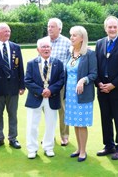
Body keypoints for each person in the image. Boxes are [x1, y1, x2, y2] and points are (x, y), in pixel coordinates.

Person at [95, 16, 118, 160]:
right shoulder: (99, 43)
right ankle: (108, 145)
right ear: (105, 28)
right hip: (102, 89)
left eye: (114, 27)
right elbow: (95, 66)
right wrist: (99, 83)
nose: (112, 29)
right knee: (105, 118)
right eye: (109, 27)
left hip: (117, 90)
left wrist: (113, 84)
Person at [25, 38, 64, 159]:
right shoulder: (31, 63)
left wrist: (50, 90)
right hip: (35, 98)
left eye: (48, 47)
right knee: (32, 125)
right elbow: (27, 81)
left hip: (52, 98)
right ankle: (32, 149)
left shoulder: (58, 63)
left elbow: (61, 80)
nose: (46, 49)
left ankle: (48, 147)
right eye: (43, 47)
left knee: (51, 124)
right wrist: (41, 91)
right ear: (38, 49)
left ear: (51, 49)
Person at [64, 26, 97, 162]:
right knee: (75, 123)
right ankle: (78, 148)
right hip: (70, 94)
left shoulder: (89, 54)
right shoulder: (69, 52)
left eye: (74, 36)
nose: (71, 38)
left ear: (82, 38)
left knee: (82, 123)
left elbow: (94, 73)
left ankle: (83, 151)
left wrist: (83, 80)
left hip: (83, 94)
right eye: (71, 35)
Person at [45, 18, 71, 146]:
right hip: (46, 82)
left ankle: (64, 136)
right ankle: (49, 136)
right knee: (48, 110)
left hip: (60, 82)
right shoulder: (44, 42)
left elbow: (71, 61)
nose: (49, 29)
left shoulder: (67, 42)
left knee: (62, 109)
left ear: (59, 29)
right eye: (49, 26)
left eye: (52, 27)